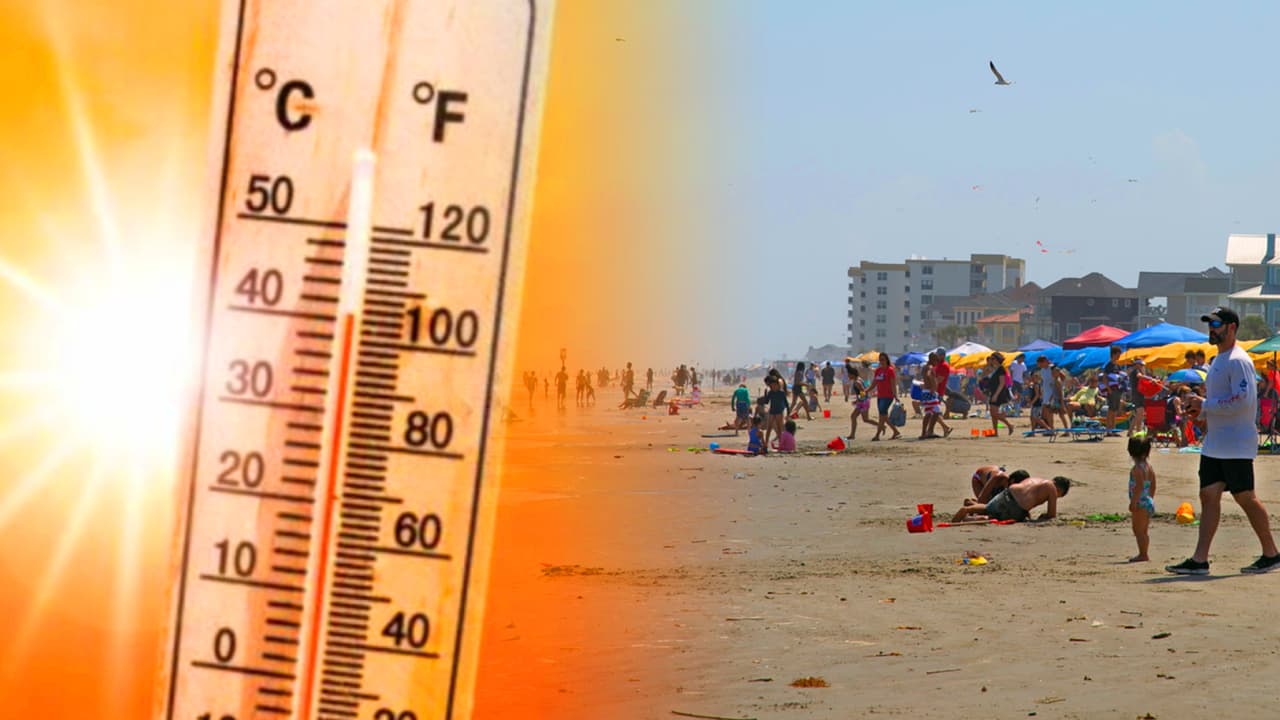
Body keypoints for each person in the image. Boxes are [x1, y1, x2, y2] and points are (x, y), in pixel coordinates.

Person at [1167, 307, 1280, 575]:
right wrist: (1200, 411)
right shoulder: (1218, 359)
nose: (1211, 329)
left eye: (1216, 324)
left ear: (1231, 327)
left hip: (1236, 443)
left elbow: (1243, 402)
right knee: (1208, 495)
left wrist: (1206, 404)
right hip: (1216, 442)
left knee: (1245, 498)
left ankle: (1272, 553)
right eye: (1209, 324)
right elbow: (1221, 403)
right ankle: (1200, 559)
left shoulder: (1239, 360)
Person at [951, 476, 1071, 523]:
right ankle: (973, 518)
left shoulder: (1035, 480)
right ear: (1059, 490)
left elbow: (1025, 495)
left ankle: (967, 509)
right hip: (1016, 508)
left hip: (1008, 492)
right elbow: (1051, 515)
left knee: (989, 508)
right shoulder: (1051, 488)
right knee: (996, 517)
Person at [1128, 434, 1157, 563]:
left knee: (1138, 530)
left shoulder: (1136, 469)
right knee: (1144, 530)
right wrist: (1150, 497)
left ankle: (1143, 554)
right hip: (1147, 501)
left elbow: (1139, 486)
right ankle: (1144, 552)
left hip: (1139, 502)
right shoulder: (1148, 467)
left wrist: (1133, 502)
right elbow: (1153, 483)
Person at [871, 353, 901, 441]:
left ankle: (877, 435)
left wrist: (895, 395)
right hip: (880, 396)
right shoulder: (878, 370)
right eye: (880, 360)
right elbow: (874, 383)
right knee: (884, 416)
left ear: (887, 360)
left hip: (888, 396)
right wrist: (867, 390)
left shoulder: (890, 370)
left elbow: (893, 384)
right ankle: (896, 431)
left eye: (883, 359)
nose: (882, 361)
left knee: (882, 415)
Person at [983, 353, 1013, 435]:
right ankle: (995, 431)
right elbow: (984, 376)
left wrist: (996, 395)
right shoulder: (993, 369)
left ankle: (1009, 425)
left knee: (994, 413)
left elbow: (1002, 383)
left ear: (997, 359)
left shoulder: (1001, 369)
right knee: (993, 413)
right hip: (993, 391)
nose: (991, 360)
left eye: (993, 359)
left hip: (998, 393)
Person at [1101, 345, 1126, 436]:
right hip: (1111, 390)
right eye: (1118, 354)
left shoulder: (1117, 365)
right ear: (1113, 354)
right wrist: (1108, 389)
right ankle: (1108, 429)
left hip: (1118, 390)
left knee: (1115, 410)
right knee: (1111, 410)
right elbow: (1104, 378)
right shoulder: (1108, 365)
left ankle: (1113, 429)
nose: (1119, 356)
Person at [762, 375, 790, 453]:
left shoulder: (781, 393)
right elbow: (766, 401)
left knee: (779, 428)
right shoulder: (770, 392)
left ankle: (781, 445)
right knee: (769, 428)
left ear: (778, 385)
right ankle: (765, 445)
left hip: (779, 411)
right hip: (772, 411)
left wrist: (788, 413)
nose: (773, 387)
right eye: (772, 385)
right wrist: (765, 395)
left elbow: (786, 404)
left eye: (775, 385)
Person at [847, 372, 872, 440]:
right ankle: (852, 435)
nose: (848, 376)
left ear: (853, 374)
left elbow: (863, 391)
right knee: (853, 416)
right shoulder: (858, 379)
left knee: (866, 419)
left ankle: (881, 426)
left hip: (863, 402)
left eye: (849, 374)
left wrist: (859, 400)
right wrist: (857, 400)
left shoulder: (857, 382)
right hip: (862, 401)